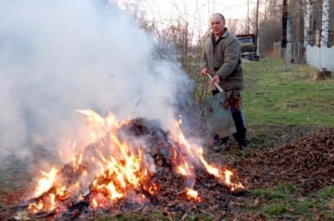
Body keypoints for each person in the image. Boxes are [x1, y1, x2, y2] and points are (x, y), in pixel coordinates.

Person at [201, 13, 249, 152]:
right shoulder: (208, 40)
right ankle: (221, 141)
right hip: (216, 82)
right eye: (212, 23)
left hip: (231, 82)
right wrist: (204, 67)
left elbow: (231, 62)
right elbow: (204, 57)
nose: (215, 26)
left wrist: (219, 76)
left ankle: (242, 140)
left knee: (233, 112)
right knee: (220, 113)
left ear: (224, 23)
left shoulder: (231, 40)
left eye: (217, 23)